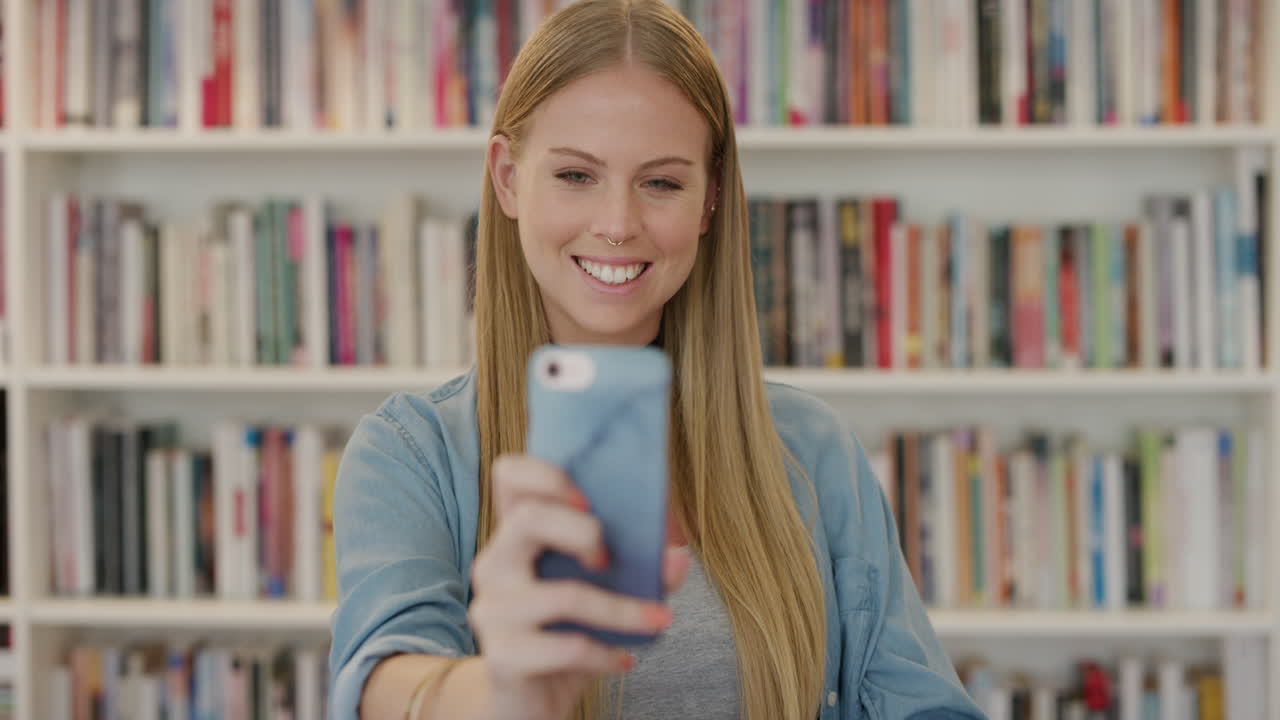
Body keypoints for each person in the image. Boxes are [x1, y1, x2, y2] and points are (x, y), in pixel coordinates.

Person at [328, 1, 986, 719]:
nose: (617, 224)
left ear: (708, 200)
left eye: (662, 182)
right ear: (508, 178)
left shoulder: (813, 450)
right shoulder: (408, 453)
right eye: (577, 175)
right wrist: (499, 689)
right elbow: (382, 681)